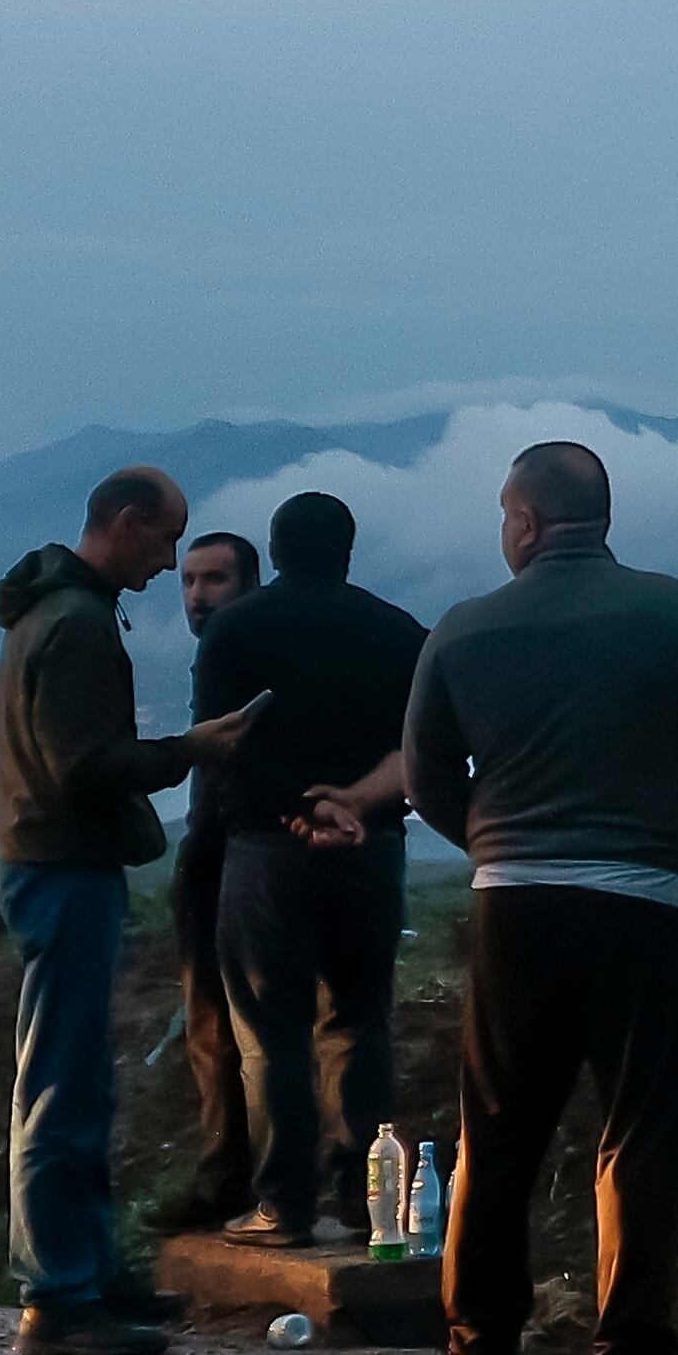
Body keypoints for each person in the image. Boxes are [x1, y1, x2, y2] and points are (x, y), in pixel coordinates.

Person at [307, 441, 678, 1355]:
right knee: (640, 1136)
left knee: (498, 1135)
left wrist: (495, 840)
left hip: (514, 908)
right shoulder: (676, 611)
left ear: (521, 522)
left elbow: (428, 779)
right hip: (646, 904)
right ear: (600, 518)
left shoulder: (466, 629)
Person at [0, 468, 259, 1355]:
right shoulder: (74, 624)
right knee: (61, 1080)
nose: (168, 564)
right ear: (128, 521)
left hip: (48, 858)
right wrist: (192, 749)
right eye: (163, 541)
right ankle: (59, 1293)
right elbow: (84, 763)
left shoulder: (51, 613)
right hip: (63, 863)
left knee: (76, 1076)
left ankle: (88, 1271)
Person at [193, 492, 429, 1247]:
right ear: (349, 549)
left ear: (276, 548)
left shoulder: (236, 628)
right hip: (372, 848)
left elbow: (223, 746)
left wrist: (298, 807)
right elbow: (424, 747)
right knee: (360, 1021)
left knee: (273, 1032)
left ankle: (283, 1205)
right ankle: (370, 1206)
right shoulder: (399, 631)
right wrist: (350, 807)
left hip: (266, 850)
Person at [148, 529, 264, 1234]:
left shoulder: (244, 650)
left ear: (250, 582)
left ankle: (238, 1175)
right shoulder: (216, 654)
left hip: (241, 844)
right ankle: (228, 1171)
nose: (196, 594)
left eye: (214, 579)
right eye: (189, 581)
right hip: (215, 844)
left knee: (236, 1021)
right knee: (212, 1022)